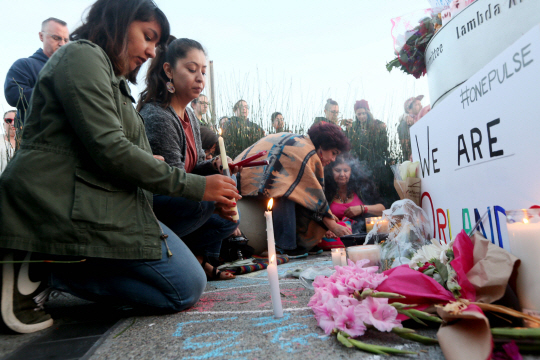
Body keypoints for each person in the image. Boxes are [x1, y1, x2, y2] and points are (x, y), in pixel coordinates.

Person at [0, 0, 241, 334]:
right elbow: (109, 148)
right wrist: (201, 187)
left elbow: (114, 147)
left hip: (108, 200)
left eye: (156, 44)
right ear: (118, 20)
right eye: (147, 36)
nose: (151, 51)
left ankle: (59, 267)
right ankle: (46, 266)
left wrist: (149, 160)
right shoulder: (81, 56)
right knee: (184, 288)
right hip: (63, 202)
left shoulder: (115, 84)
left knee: (188, 284)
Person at [138, 37, 239, 280]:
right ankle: (188, 260)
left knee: (229, 220)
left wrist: (214, 165)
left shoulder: (191, 116)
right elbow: (172, 180)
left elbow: (193, 168)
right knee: (206, 203)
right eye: (192, 70)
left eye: (203, 72)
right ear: (169, 71)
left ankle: (198, 259)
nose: (200, 78)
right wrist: (215, 198)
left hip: (179, 195)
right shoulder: (158, 115)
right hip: (154, 203)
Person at [236, 122, 352, 257]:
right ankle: (285, 246)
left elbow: (304, 194)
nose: (333, 159)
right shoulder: (306, 152)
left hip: (245, 181)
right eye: (333, 153)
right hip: (243, 184)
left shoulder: (302, 143)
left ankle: (300, 245)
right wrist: (333, 225)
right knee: (286, 190)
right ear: (322, 146)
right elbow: (312, 196)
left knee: (294, 190)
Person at [4, 17, 69, 126]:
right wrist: (56, 91)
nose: (62, 43)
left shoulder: (71, 70)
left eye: (66, 40)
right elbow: (13, 95)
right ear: (41, 36)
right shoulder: (24, 65)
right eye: (56, 38)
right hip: (38, 139)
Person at [321, 153, 386, 249]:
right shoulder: (324, 190)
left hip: (361, 241)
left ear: (352, 172)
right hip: (331, 245)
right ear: (330, 172)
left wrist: (362, 209)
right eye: (337, 170)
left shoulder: (362, 187)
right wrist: (328, 228)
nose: (342, 174)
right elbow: (318, 214)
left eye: (346, 170)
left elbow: (382, 209)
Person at [346, 100, 395, 207]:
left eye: (364, 113)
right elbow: (351, 147)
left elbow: (383, 147)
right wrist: (349, 131)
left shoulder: (378, 125)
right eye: (359, 114)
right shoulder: (353, 128)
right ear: (356, 114)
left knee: (379, 193)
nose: (362, 116)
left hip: (377, 165)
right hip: (361, 166)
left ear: (368, 112)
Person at [397, 95, 424, 161]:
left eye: (420, 104)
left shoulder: (422, 119)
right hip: (414, 160)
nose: (421, 106)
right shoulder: (404, 124)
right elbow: (405, 146)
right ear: (409, 109)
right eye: (417, 104)